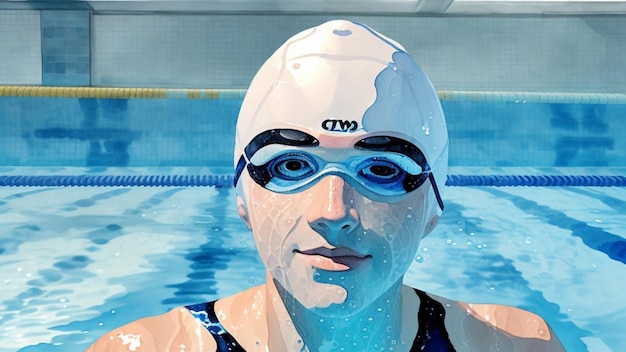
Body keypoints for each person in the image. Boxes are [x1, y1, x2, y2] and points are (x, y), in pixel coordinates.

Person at [87, 20, 564, 351]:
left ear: (434, 206)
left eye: (381, 170)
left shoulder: (515, 344)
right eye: (292, 166)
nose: (332, 211)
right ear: (242, 199)